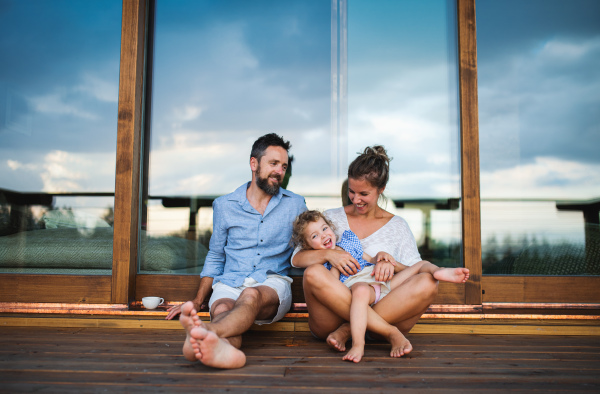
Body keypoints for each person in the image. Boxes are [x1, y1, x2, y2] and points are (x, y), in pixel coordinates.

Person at [291, 146, 470, 359]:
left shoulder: (398, 226)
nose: (355, 199)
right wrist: (329, 255)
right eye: (351, 191)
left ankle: (349, 330)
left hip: (379, 300)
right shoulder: (330, 219)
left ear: (381, 189)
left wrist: (388, 263)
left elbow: (411, 271)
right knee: (313, 273)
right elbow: (297, 258)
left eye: (364, 194)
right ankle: (386, 331)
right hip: (330, 319)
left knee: (429, 282)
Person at [165, 133, 307, 369]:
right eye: (273, 164)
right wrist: (199, 300)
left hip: (271, 283)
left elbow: (308, 246)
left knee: (250, 295)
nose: (279, 171)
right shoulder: (224, 205)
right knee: (221, 309)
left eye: (283, 166)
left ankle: (203, 331)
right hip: (230, 281)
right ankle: (222, 351)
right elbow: (216, 256)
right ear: (254, 164)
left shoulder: (296, 204)